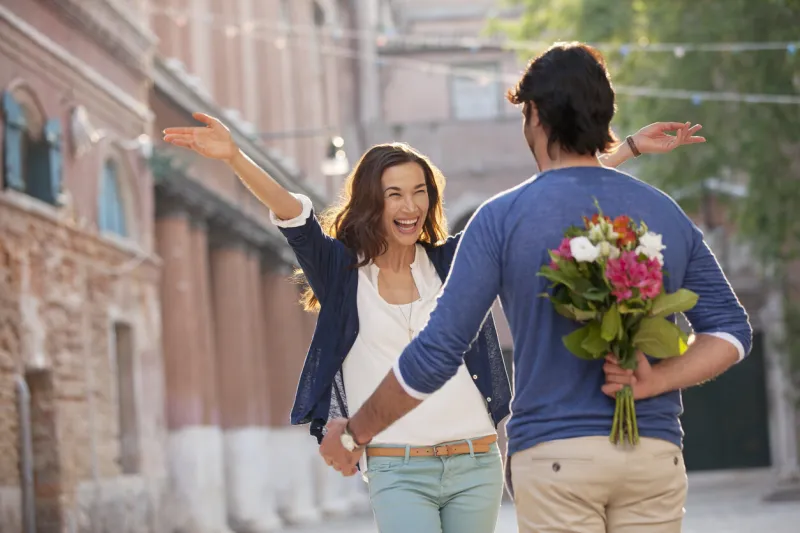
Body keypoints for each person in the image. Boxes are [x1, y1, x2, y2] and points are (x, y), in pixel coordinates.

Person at [163, 108, 705, 533]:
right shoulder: (341, 273)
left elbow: (531, 204)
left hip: (475, 463)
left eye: (420, 191)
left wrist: (627, 148)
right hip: (398, 469)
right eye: (395, 193)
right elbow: (292, 214)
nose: (410, 205)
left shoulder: (453, 262)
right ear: (372, 201)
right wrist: (234, 156)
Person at [319, 42, 752, 533]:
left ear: (537, 117)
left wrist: (356, 433)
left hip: (556, 458)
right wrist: (655, 380)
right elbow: (732, 332)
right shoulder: (661, 212)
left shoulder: (503, 218)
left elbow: (438, 352)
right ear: (604, 115)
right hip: (652, 454)